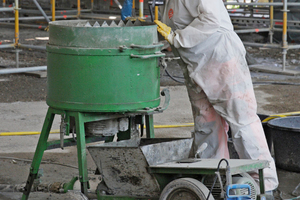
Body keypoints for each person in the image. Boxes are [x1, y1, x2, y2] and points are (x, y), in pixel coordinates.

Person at [154, 0, 278, 192]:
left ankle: (264, 184)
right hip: (196, 65)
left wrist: (177, 38)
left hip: (221, 58)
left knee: (242, 120)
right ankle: (215, 181)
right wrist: (167, 41)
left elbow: (211, 18)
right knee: (207, 124)